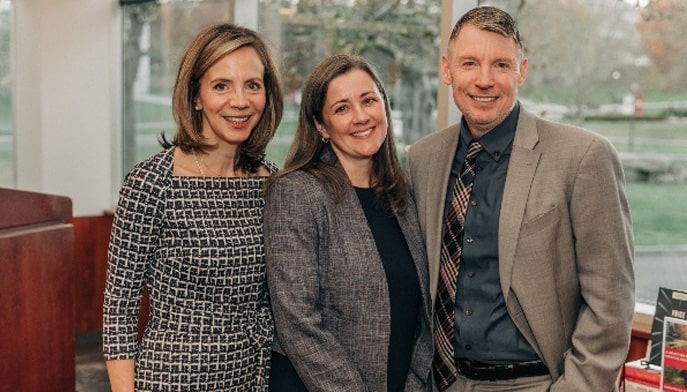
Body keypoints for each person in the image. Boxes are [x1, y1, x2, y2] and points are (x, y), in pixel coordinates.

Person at [406, 6, 635, 392]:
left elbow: (610, 301)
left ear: (521, 71)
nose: (484, 80)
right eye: (469, 63)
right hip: (440, 382)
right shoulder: (422, 159)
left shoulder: (583, 157)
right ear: (447, 69)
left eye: (500, 65)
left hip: (534, 382)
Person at [102, 23, 283, 391]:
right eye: (221, 86)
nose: (240, 101)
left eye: (252, 84)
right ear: (196, 96)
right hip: (174, 378)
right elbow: (119, 310)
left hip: (256, 375)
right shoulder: (151, 182)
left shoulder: (274, 183)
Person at [263, 53, 433, 391]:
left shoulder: (403, 194)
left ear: (384, 105)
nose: (360, 117)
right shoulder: (297, 192)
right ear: (321, 126)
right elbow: (298, 320)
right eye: (342, 108)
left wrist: (414, 383)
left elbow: (422, 314)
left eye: (368, 100)